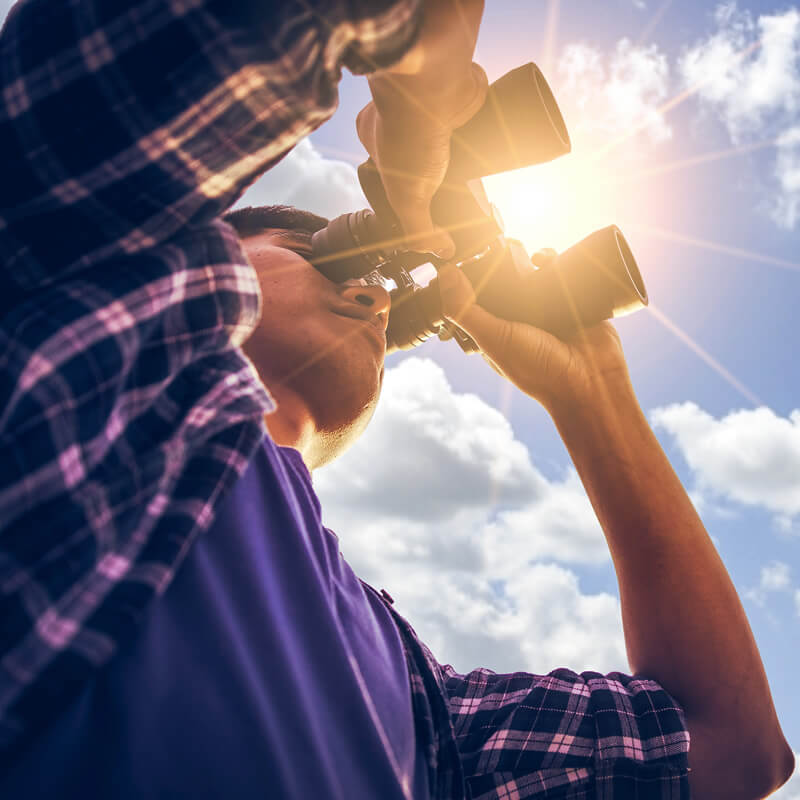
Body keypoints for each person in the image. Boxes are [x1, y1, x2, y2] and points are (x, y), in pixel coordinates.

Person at [0, 0, 793, 798]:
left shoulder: (418, 702)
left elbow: (729, 749)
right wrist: (420, 71)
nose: (376, 297)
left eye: (388, 300)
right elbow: (130, 61)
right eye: (313, 248)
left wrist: (591, 392)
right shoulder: (91, 321)